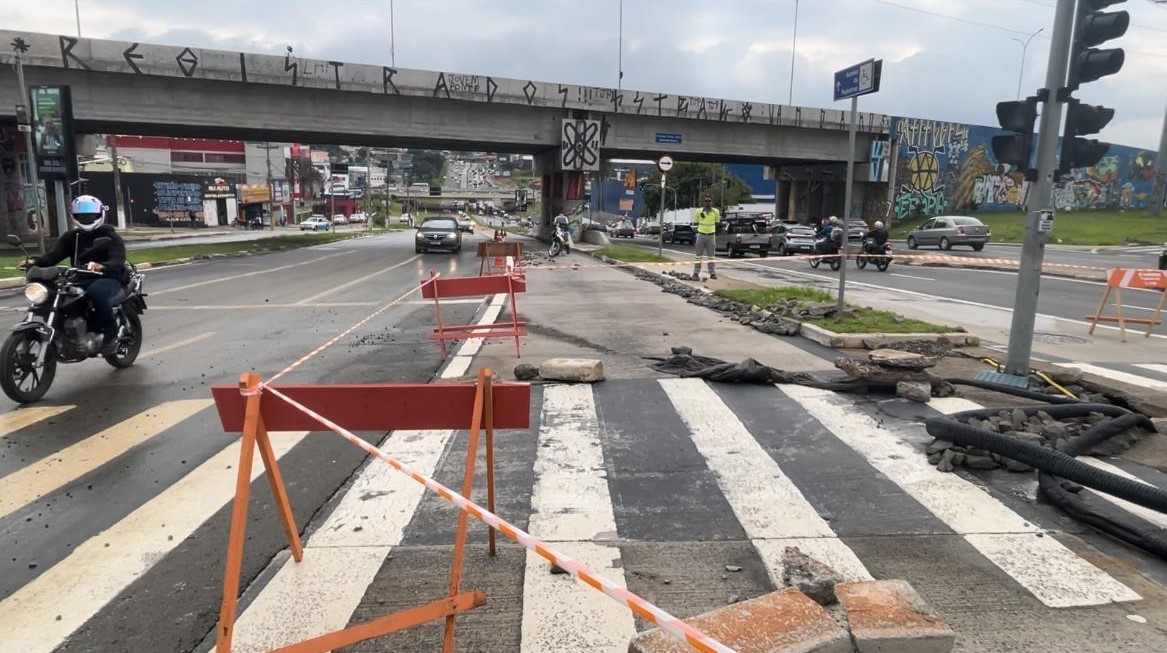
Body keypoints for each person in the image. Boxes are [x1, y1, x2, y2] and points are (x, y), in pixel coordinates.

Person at [25, 195, 128, 356]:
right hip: (80, 277)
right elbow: (53, 256)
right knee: (57, 295)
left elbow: (118, 260)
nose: (86, 217)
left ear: (100, 213)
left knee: (96, 294)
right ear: (74, 215)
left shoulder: (110, 236)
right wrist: (35, 262)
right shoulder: (71, 237)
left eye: (90, 213)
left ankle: (110, 335)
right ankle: (68, 332)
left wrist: (103, 266)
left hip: (108, 277)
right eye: (81, 214)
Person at [692, 196, 720, 279]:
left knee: (711, 256)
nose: (708, 203)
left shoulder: (716, 212)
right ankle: (696, 273)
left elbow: (717, 223)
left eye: (709, 201)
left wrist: (712, 230)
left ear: (712, 202)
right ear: (703, 202)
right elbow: (696, 222)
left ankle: (712, 273)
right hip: (701, 234)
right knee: (698, 255)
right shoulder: (698, 211)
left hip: (711, 235)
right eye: (706, 201)